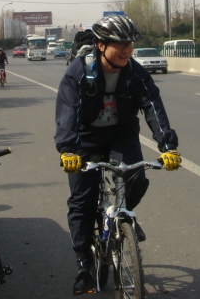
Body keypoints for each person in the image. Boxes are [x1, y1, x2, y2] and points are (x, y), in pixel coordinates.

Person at [54, 15, 182, 295]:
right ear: (101, 45)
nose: (126, 49)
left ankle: (123, 217)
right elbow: (67, 112)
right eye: (119, 44)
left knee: (136, 179)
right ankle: (84, 265)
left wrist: (167, 146)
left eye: (129, 44)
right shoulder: (80, 71)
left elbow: (152, 105)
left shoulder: (135, 72)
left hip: (121, 133)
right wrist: (68, 150)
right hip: (84, 138)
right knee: (82, 200)